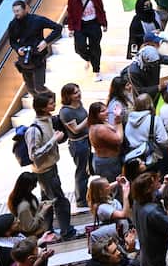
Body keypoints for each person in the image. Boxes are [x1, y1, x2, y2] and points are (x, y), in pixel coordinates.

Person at [23, 91, 77, 241]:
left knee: (46, 201)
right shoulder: (34, 129)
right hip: (44, 171)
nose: (54, 104)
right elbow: (33, 155)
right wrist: (53, 140)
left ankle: (48, 231)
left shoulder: (48, 121)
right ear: (43, 107)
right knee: (60, 201)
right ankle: (66, 231)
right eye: (51, 103)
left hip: (50, 167)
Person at [6, 0, 62, 96]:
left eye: (18, 11)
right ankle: (41, 106)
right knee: (31, 89)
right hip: (24, 59)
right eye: (14, 11)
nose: (16, 14)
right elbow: (12, 41)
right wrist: (18, 49)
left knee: (39, 87)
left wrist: (46, 42)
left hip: (38, 57)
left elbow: (58, 28)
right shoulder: (13, 24)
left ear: (25, 9)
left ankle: (51, 96)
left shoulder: (37, 20)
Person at [57, 83, 91, 208]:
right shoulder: (66, 112)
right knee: (81, 171)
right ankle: (81, 199)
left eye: (79, 91)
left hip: (87, 140)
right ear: (68, 96)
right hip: (78, 144)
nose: (79, 94)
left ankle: (85, 195)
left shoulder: (79, 104)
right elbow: (75, 129)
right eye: (75, 93)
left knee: (87, 170)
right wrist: (89, 118)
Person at [124, 93, 168, 176]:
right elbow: (163, 140)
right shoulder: (154, 119)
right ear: (150, 104)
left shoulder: (129, 121)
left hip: (134, 159)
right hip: (152, 160)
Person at [89, 100, 125, 181]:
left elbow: (114, 131)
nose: (107, 112)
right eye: (103, 111)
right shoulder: (99, 129)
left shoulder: (103, 122)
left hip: (108, 161)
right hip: (107, 163)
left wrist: (116, 120)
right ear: (96, 115)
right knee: (111, 187)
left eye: (106, 109)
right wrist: (119, 122)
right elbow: (119, 139)